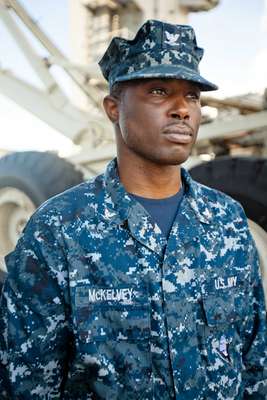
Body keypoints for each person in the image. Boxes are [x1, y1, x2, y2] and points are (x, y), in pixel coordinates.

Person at [0, 19, 267, 400]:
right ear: (113, 107)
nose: (182, 109)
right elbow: (26, 385)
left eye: (192, 95)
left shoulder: (227, 220)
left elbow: (255, 362)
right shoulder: (59, 229)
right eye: (159, 91)